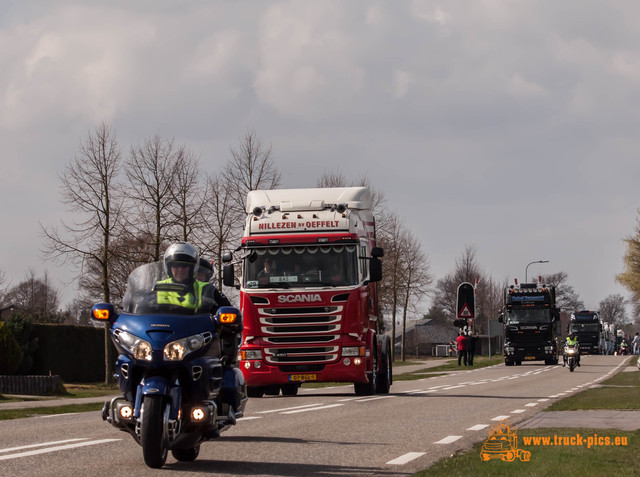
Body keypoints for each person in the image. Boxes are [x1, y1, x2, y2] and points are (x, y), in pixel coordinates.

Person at [157, 242, 230, 313]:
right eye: (175, 266)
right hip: (163, 325)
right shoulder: (156, 288)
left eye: (184, 266)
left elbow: (229, 312)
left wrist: (213, 309)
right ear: (169, 268)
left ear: (192, 268)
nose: (180, 269)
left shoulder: (207, 289)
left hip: (198, 325)